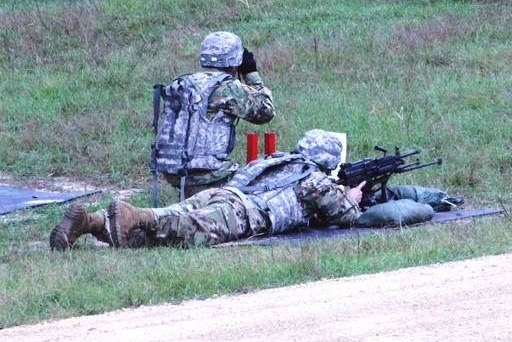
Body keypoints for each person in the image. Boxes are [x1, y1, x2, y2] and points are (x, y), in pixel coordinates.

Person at [50, 129, 363, 250]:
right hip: (241, 212)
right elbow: (347, 216)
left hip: (220, 194)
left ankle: (90, 222)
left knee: (166, 221)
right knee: (186, 229)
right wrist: (351, 197)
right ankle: (134, 214)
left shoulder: (277, 159)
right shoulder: (315, 179)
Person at [152, 31, 275, 198]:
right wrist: (250, 72)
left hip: (173, 170)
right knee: (262, 188)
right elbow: (265, 112)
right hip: (208, 172)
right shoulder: (227, 87)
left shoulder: (182, 82)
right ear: (235, 61)